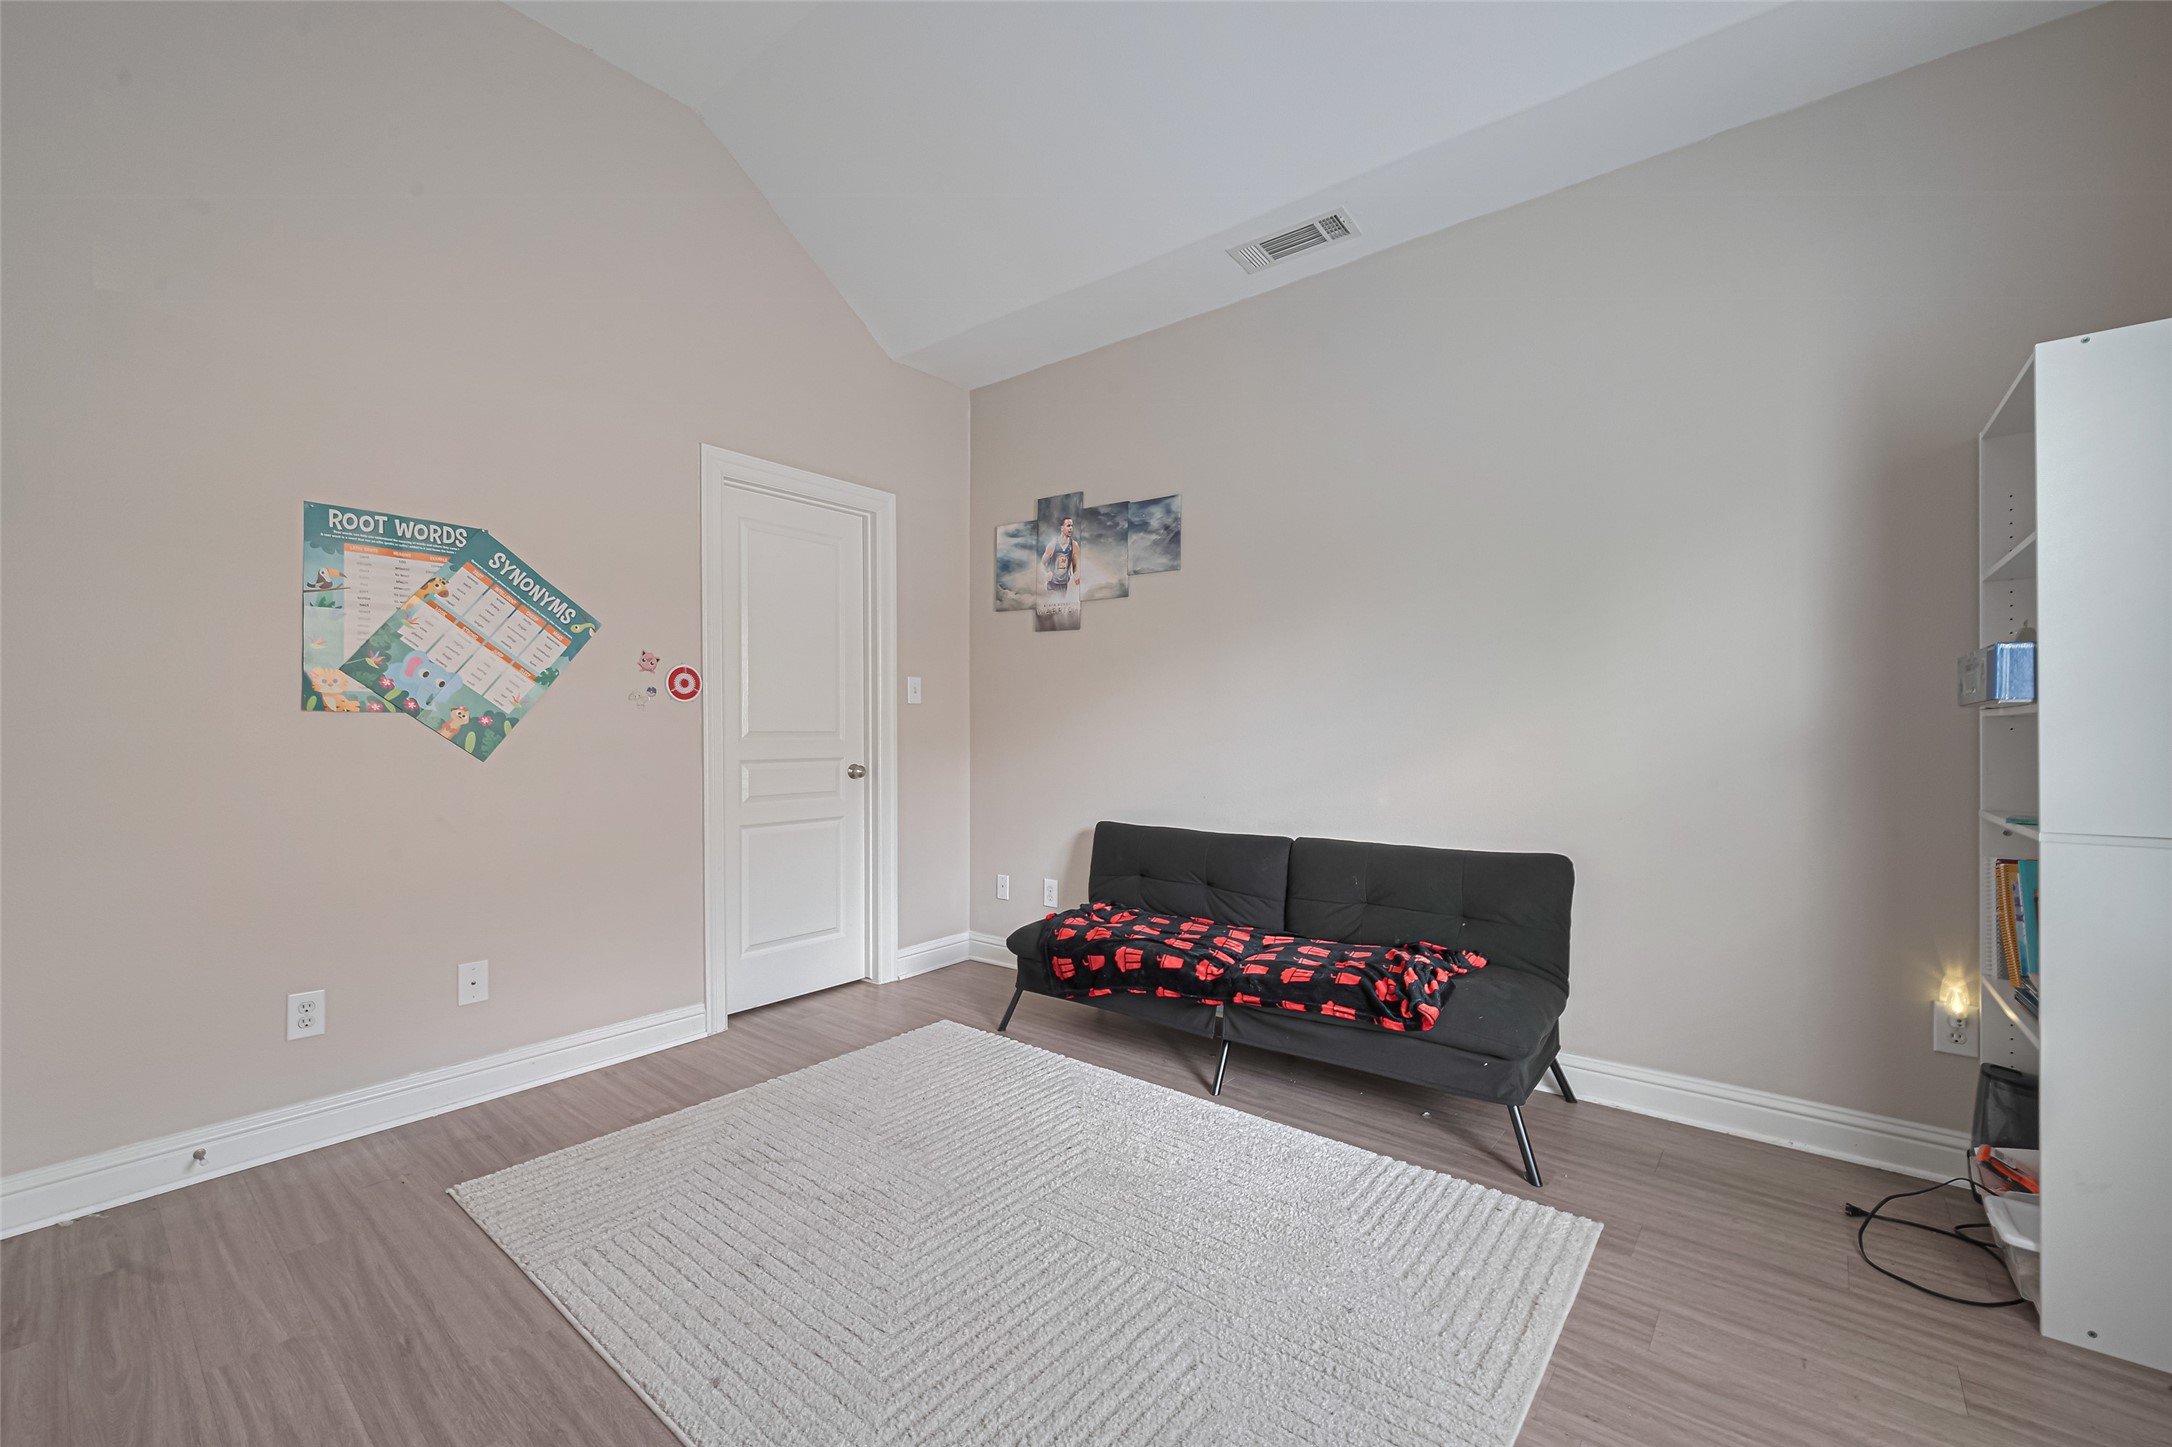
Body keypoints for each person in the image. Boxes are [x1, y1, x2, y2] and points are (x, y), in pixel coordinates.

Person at [1041, 516, 1078, 597]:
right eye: (1068, 526)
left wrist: (1076, 575)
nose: (1071, 528)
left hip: (1064, 584)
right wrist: (1046, 573)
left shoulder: (1074, 545)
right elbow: (1042, 563)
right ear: (1062, 528)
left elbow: (1075, 565)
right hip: (1052, 584)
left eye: (1072, 526)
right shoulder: (1053, 544)